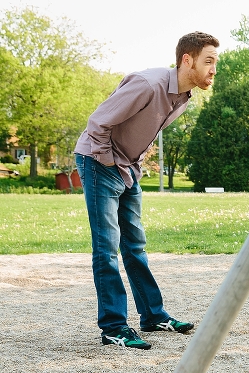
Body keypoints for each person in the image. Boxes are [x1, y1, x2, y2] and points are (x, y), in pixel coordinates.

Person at [74, 32, 220, 349]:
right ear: (187, 59)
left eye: (215, 63)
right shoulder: (148, 84)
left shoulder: (181, 98)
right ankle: (114, 326)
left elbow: (140, 130)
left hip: (126, 167)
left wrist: (134, 162)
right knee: (107, 246)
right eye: (208, 61)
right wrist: (108, 162)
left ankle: (153, 316)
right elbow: (97, 122)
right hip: (100, 163)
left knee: (135, 244)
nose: (213, 69)